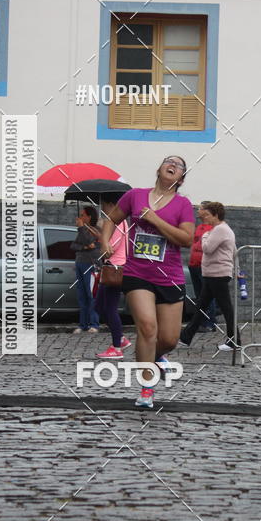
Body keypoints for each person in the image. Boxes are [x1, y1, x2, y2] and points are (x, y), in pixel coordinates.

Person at [100, 156, 194, 409]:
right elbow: (111, 219)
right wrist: (105, 241)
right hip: (137, 273)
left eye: (178, 165)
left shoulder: (183, 205)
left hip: (170, 277)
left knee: (170, 339)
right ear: (160, 169)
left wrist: (155, 219)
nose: (172, 164)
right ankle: (146, 387)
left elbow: (186, 239)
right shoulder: (136, 196)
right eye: (168, 161)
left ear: (181, 178)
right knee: (148, 328)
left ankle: (156, 356)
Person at [179, 201, 240, 352]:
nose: (204, 218)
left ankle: (234, 341)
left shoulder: (219, 230)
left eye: (207, 215)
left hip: (217, 274)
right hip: (214, 273)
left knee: (226, 308)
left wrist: (205, 235)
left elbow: (207, 248)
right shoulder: (221, 229)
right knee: (202, 306)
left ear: (216, 215)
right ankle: (185, 337)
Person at [95, 197, 130, 359]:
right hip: (111, 267)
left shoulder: (117, 222)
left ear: (111, 205)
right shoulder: (114, 222)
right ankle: (120, 338)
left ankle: (116, 347)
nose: (102, 208)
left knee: (109, 308)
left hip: (115, 269)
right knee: (99, 307)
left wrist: (102, 237)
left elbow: (110, 247)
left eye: (104, 205)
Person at [71, 205, 101, 334]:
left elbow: (92, 242)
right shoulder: (82, 230)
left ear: (89, 217)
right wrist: (84, 247)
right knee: (81, 295)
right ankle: (83, 324)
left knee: (91, 294)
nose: (80, 217)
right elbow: (74, 245)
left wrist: (81, 227)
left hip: (91, 264)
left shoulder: (96, 230)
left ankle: (94, 324)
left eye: (83, 215)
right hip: (80, 263)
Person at [188, 201, 217, 332]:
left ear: (206, 211)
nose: (197, 210)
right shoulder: (199, 227)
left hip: (205, 266)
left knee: (207, 296)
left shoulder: (214, 228)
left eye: (200, 208)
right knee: (200, 296)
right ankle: (203, 321)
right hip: (194, 265)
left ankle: (210, 322)